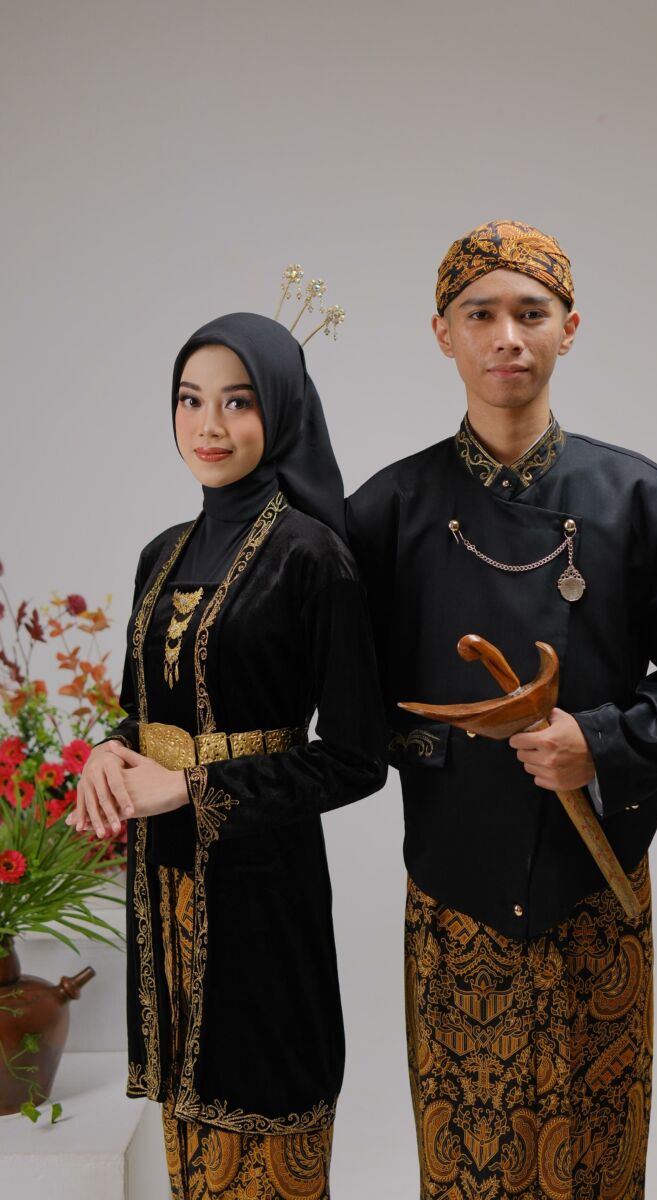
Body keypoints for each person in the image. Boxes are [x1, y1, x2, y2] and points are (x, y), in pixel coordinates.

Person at [346, 220, 657, 1200]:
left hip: (596, 875)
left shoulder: (642, 499)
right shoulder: (388, 509)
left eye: (530, 313)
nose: (506, 338)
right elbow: (341, 691)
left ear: (568, 328)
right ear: (442, 334)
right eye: (478, 314)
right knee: (468, 1161)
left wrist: (600, 742)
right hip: (455, 880)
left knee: (597, 1154)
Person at [68, 313, 387, 1200]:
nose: (209, 426)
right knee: (188, 1130)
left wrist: (192, 787)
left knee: (264, 1110)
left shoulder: (314, 558)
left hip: (262, 890)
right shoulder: (159, 555)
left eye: (238, 402)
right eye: (190, 400)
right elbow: (141, 711)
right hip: (162, 883)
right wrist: (106, 751)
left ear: (279, 411)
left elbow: (357, 758)